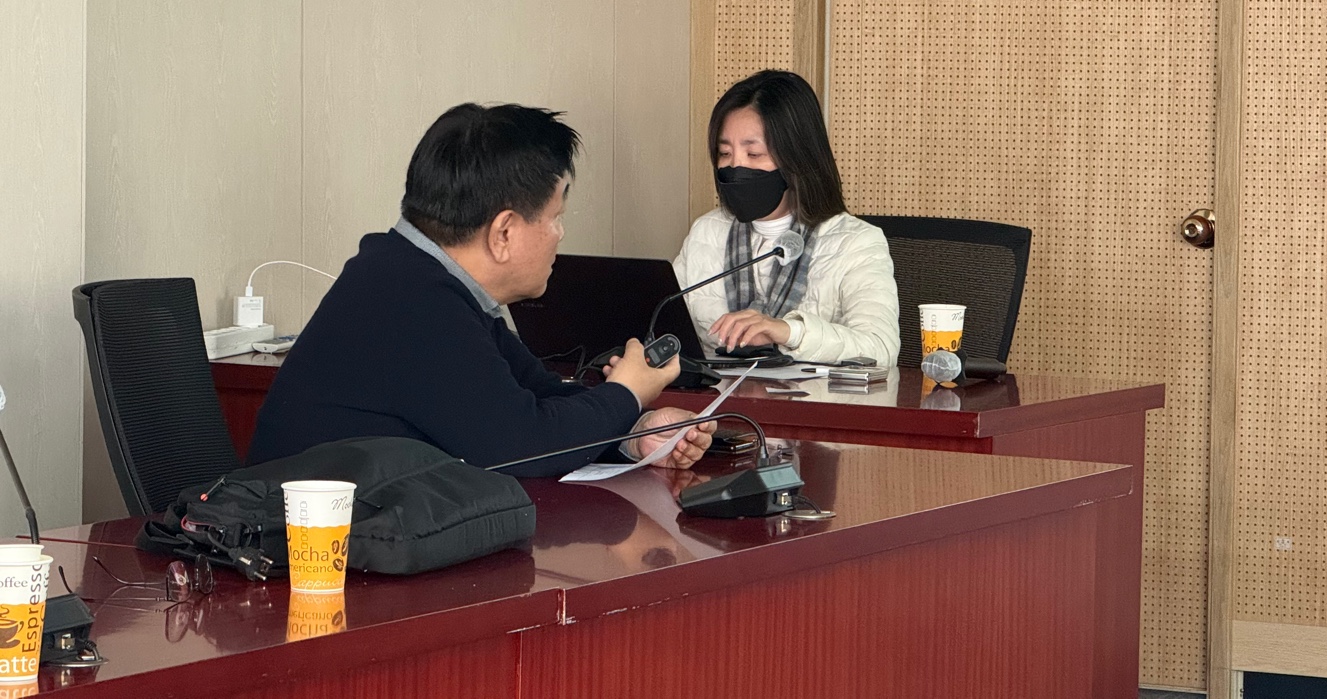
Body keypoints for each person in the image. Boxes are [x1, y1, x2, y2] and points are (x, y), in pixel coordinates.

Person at [249, 103, 714, 476]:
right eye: (556, 217)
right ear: (504, 233)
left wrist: (637, 433)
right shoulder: (410, 301)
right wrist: (627, 393)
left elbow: (540, 399)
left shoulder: (422, 278)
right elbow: (524, 445)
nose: (560, 234)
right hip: (302, 551)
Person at [672, 70, 900, 367]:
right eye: (725, 153)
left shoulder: (856, 242)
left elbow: (881, 349)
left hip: (809, 397)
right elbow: (665, 325)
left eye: (754, 154)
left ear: (796, 158)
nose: (735, 166)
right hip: (717, 391)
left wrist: (789, 332)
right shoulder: (707, 232)